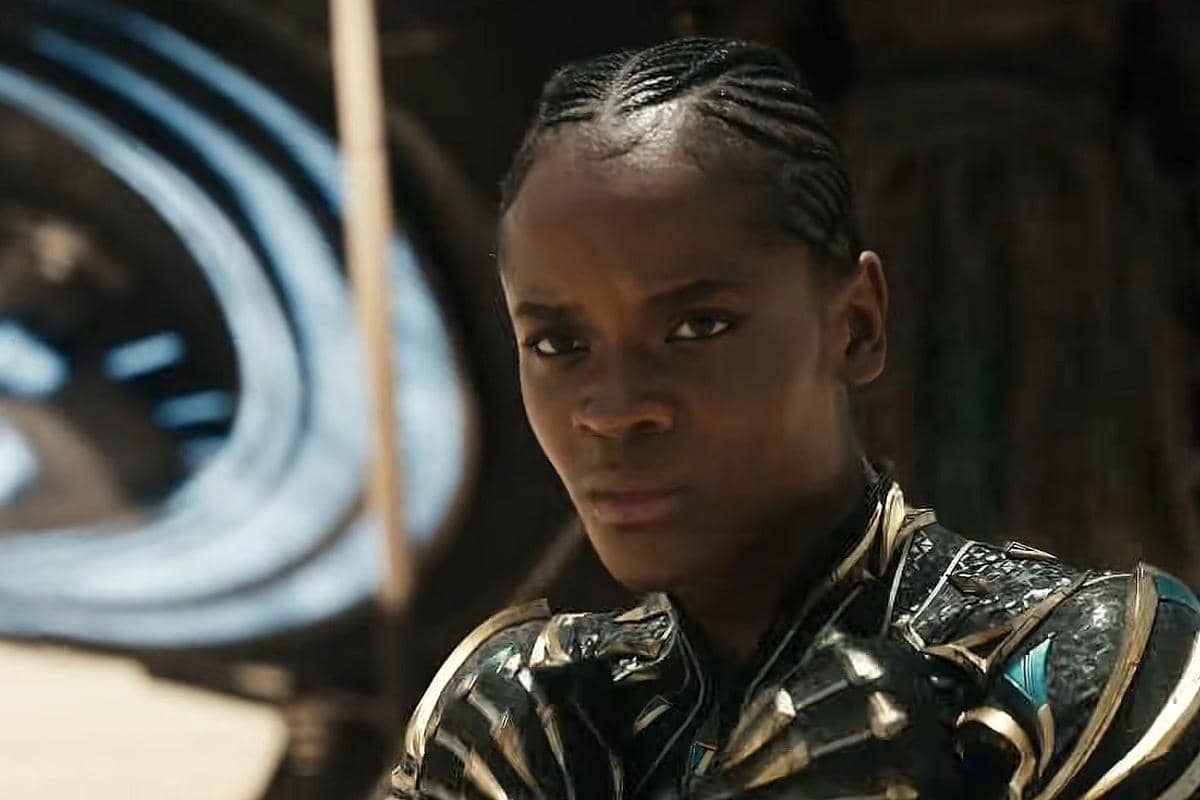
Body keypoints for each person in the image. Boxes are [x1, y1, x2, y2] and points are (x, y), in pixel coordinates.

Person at [382, 38, 1200, 799]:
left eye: (696, 327)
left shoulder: (1097, 663)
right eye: (559, 344)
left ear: (857, 325)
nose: (615, 410)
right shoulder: (514, 713)